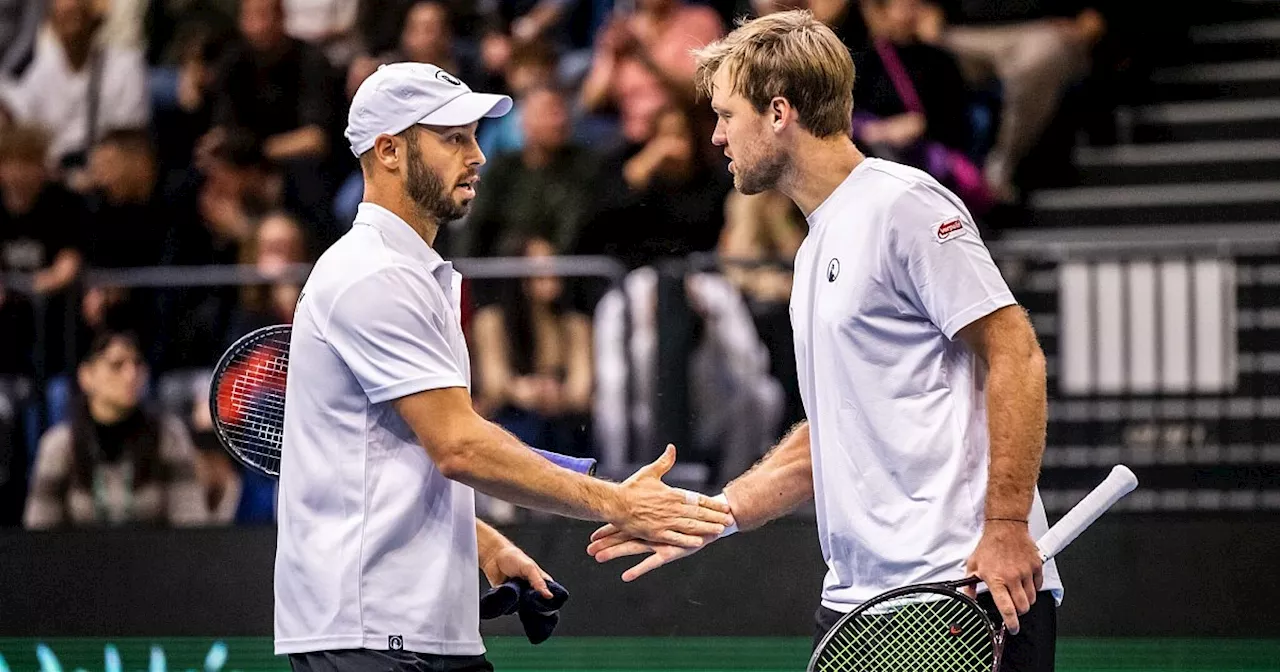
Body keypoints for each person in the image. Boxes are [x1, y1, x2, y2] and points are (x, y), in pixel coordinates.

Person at [587, 11, 1060, 671]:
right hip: (859, 605)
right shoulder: (813, 248)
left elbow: (1016, 353)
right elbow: (834, 431)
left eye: (726, 115)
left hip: (962, 588)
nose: (716, 135)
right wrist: (716, 513)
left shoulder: (906, 206)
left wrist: (1008, 528)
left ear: (778, 112)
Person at [274, 62, 732, 672]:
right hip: (370, 631)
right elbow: (458, 445)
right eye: (452, 138)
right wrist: (616, 503)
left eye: (473, 136)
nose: (478, 155)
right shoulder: (373, 276)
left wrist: (478, 542)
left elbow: (399, 451)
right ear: (388, 151)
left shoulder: (409, 271)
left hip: (412, 630)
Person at [23, 329, 207, 529]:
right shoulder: (59, 445)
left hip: (154, 558)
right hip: (78, 559)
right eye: (116, 365)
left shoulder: (169, 435)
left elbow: (192, 526)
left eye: (137, 364)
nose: (131, 375)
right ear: (87, 376)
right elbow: (39, 534)